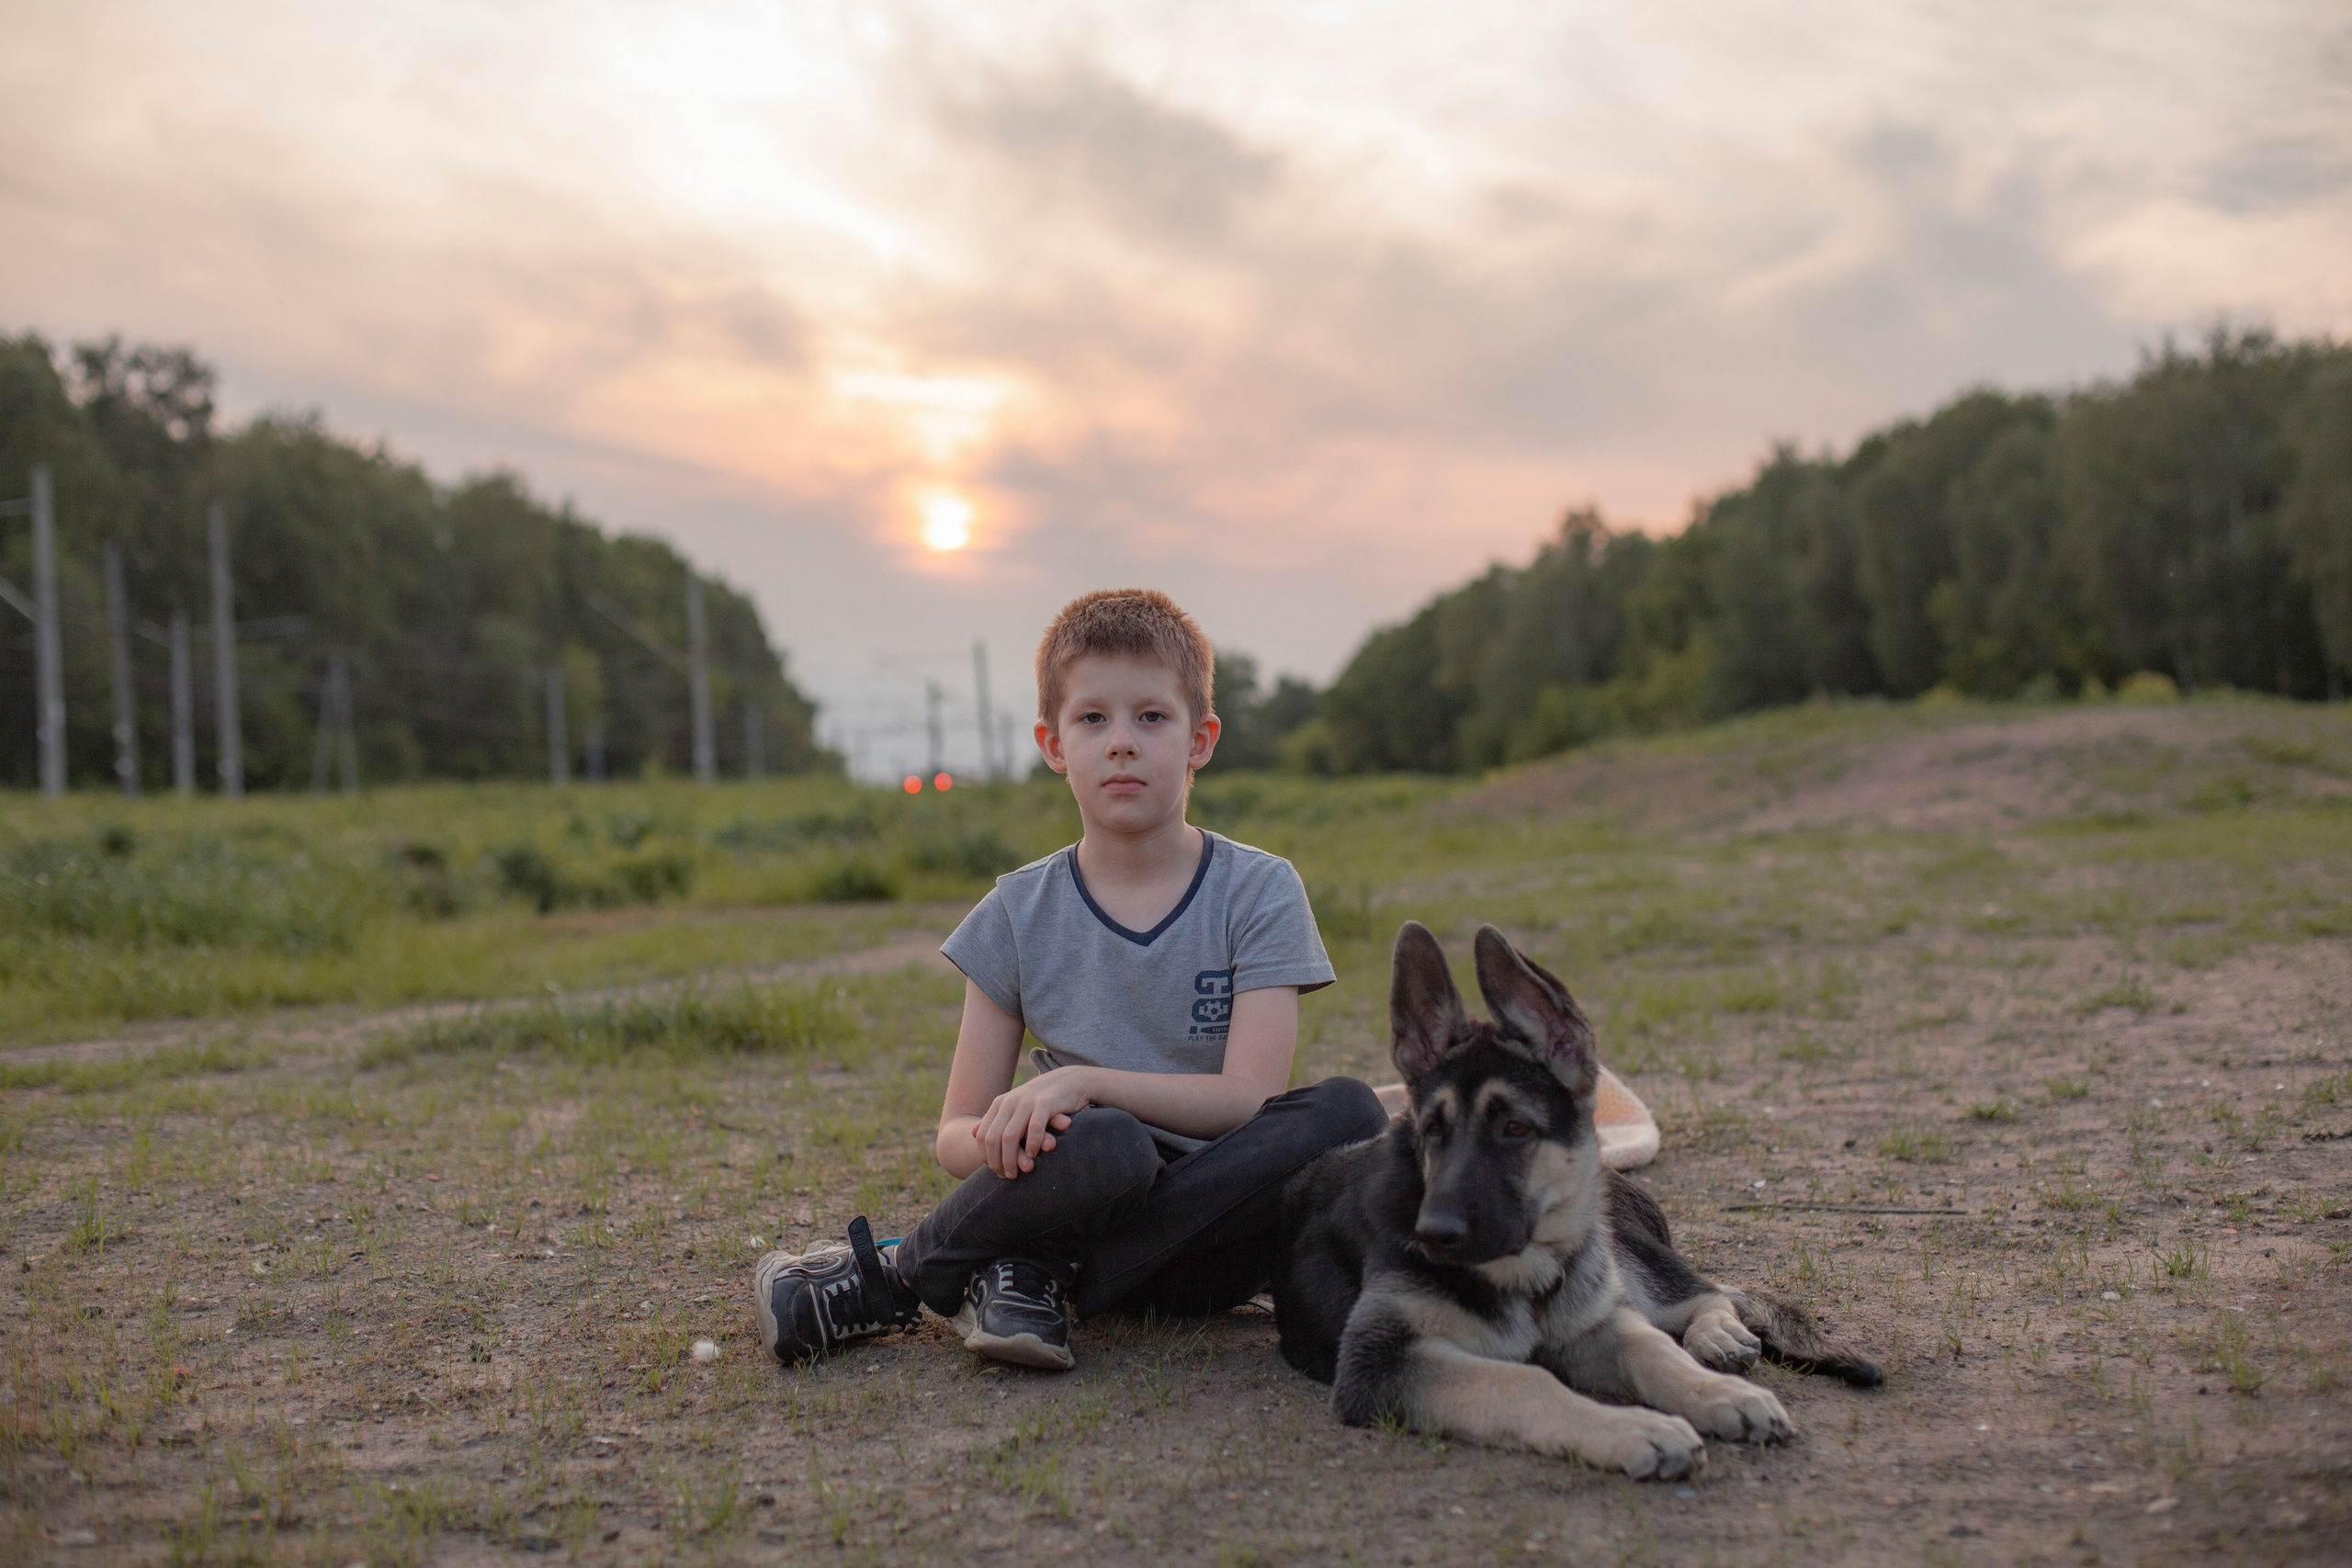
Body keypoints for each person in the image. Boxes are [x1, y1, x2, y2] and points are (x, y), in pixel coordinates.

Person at [755, 589, 1385, 1370]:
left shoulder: (1260, 889)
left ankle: (951, 1271)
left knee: (1350, 1111)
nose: (1122, 743)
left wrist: (1083, 1081)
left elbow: (1247, 1100)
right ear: (1053, 745)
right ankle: (953, 1275)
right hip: (1078, 1185)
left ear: (1201, 740)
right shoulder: (1018, 910)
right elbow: (954, 1137)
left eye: (1151, 717)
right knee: (1109, 1147)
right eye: (1093, 719)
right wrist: (1009, 1136)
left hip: (1211, 1236)